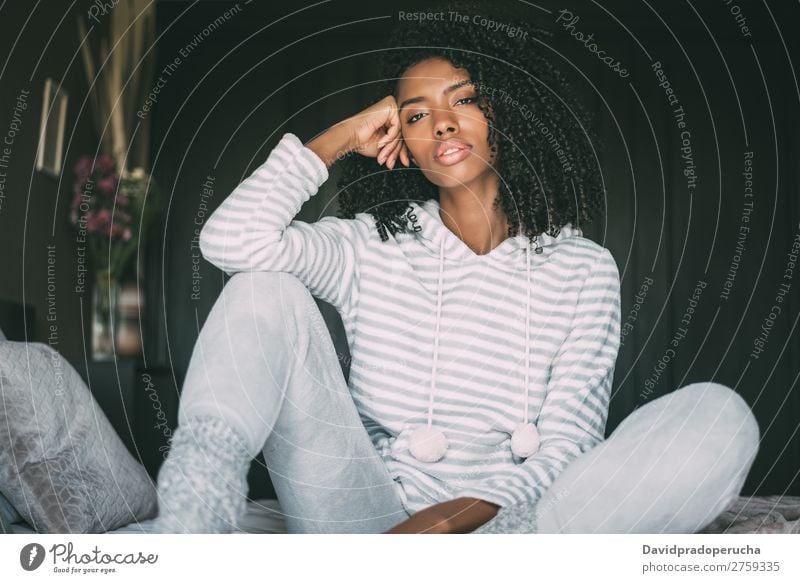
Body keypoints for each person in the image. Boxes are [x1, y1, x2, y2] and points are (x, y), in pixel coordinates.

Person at [151, 1, 759, 534]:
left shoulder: (583, 270)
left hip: (515, 526)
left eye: (462, 99)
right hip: (367, 517)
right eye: (414, 115)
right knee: (265, 288)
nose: (440, 122)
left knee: (718, 419)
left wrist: (445, 525)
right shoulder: (371, 246)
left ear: (505, 113)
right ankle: (194, 512)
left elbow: (571, 448)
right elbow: (232, 242)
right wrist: (337, 138)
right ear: (402, 146)